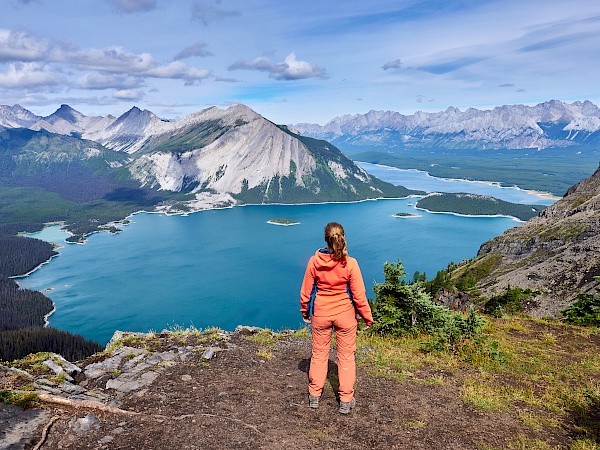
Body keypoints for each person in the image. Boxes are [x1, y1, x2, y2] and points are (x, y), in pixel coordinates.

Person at [299, 222, 373, 414]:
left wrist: (305, 311)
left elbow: (306, 292)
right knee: (346, 357)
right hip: (345, 315)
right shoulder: (350, 263)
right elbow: (359, 295)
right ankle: (346, 400)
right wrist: (367, 317)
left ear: (326, 239)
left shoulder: (314, 262)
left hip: (321, 314)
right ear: (343, 238)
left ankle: (314, 396)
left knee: (319, 354)